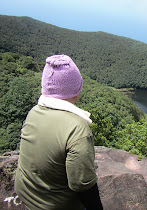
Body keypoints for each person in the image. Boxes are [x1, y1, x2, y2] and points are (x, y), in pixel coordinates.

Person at [15, 55, 103, 210]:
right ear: (76, 90)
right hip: (54, 205)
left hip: (25, 193)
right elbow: (82, 185)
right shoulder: (77, 129)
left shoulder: (34, 112)